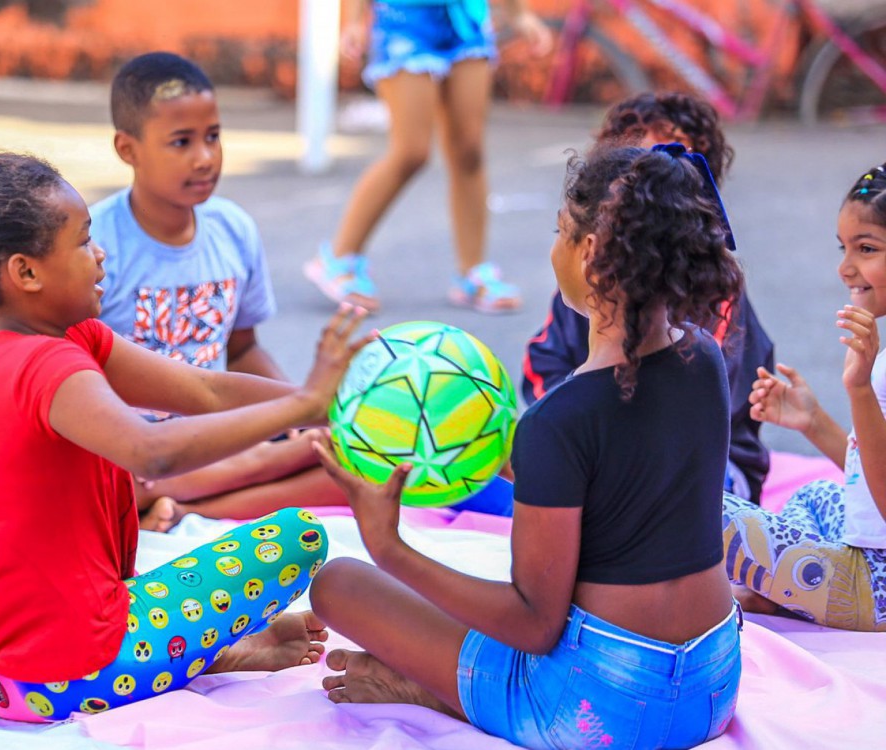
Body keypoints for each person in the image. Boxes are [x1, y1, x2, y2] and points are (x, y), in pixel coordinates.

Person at [0, 153, 372, 722]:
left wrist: (329, 405)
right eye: (84, 243)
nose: (101, 255)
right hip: (55, 673)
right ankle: (196, 652)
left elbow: (202, 390)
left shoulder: (18, 343)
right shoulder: (48, 365)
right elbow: (152, 450)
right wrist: (305, 403)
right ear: (25, 272)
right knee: (296, 538)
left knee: (166, 582)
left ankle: (197, 650)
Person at [308, 143, 744, 749]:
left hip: (602, 715)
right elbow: (631, 493)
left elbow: (534, 626)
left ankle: (432, 692)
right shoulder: (705, 359)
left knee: (339, 584)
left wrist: (389, 546)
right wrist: (515, 464)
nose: (552, 248)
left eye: (561, 231)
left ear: (590, 253)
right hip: (713, 686)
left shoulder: (558, 421)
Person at [94, 51, 345, 527]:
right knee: (115, 479)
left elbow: (243, 347)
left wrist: (295, 413)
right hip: (134, 449)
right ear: (128, 149)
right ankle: (203, 486)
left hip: (220, 434)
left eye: (213, 137)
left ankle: (186, 510)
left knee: (348, 464)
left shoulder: (233, 229)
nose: (205, 158)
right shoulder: (97, 245)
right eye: (181, 142)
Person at [523, 91, 775, 504]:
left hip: (716, 471)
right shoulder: (579, 283)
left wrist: (565, 432)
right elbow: (544, 361)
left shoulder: (710, 305)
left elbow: (691, 424)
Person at [304, 0, 552, 314]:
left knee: (469, 152)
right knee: (411, 152)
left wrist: (520, 15)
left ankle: (472, 272)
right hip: (403, 20)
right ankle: (339, 259)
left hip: (465, 20)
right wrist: (354, 20)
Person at [723, 161, 886, 632]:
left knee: (707, 510)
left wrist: (858, 390)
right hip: (865, 560)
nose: (845, 267)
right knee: (815, 494)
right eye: (845, 248)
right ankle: (775, 593)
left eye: (867, 248)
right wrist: (813, 423)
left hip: (874, 587)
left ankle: (769, 595)